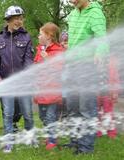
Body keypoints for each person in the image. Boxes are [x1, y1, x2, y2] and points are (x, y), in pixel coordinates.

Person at [63, 0, 107, 154]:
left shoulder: (95, 13)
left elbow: (102, 38)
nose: (71, 0)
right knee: (72, 108)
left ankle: (86, 147)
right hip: (71, 67)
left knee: (87, 108)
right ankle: (75, 141)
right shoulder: (73, 14)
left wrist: (99, 53)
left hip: (87, 67)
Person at [0, 6, 34, 152]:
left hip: (23, 84)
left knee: (27, 113)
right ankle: (8, 142)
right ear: (8, 20)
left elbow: (29, 60)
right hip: (6, 83)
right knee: (8, 114)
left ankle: (30, 138)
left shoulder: (26, 37)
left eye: (21, 18)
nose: (19, 21)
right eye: (16, 18)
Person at [33, 22, 64, 150]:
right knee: (42, 116)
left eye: (40, 34)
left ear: (49, 36)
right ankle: (49, 134)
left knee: (51, 116)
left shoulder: (59, 51)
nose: (38, 37)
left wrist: (48, 60)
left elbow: (59, 69)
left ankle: (52, 140)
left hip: (53, 92)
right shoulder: (40, 50)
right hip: (41, 91)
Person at [96, 55, 119, 139]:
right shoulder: (94, 60)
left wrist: (115, 92)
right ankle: (98, 132)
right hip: (96, 93)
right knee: (96, 113)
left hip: (107, 93)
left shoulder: (112, 62)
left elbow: (116, 78)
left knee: (108, 113)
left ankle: (111, 132)